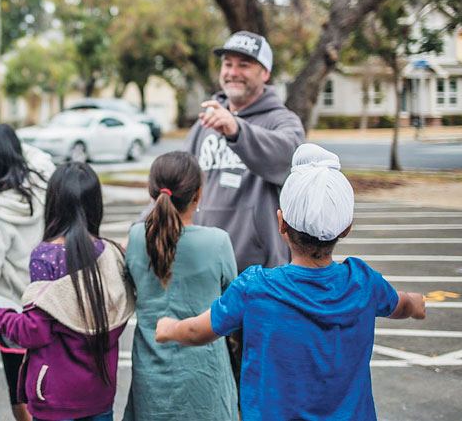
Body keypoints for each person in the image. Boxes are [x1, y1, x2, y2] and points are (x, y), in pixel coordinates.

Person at [154, 143, 427, 421]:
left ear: (281, 223)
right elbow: (401, 304)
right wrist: (417, 304)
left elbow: (196, 332)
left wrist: (169, 328)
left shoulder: (255, 288)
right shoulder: (364, 282)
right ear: (346, 227)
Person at [0, 162, 135, 421]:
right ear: (95, 204)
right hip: (100, 393)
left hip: (55, 397)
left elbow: (34, 331)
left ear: (54, 203)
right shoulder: (112, 254)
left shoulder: (46, 256)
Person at [122, 152, 237, 421]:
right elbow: (234, 304)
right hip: (204, 372)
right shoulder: (217, 242)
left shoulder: (136, 236)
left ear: (153, 193)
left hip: (150, 372)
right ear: (197, 196)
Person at [183, 30, 305, 273]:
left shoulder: (282, 120)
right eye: (227, 64)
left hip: (259, 273)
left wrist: (237, 130)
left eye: (244, 65)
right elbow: (177, 184)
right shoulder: (203, 125)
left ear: (266, 73)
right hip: (203, 267)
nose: (233, 72)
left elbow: (289, 155)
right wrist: (141, 229)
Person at [0, 125, 54, 421]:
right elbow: (39, 157)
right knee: (53, 385)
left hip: (16, 316)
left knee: (20, 390)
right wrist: (8, 148)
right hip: (55, 307)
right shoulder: (43, 185)